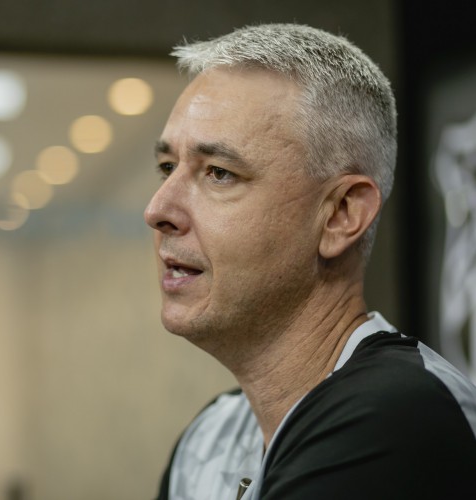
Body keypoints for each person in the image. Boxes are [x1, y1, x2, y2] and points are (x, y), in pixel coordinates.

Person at [145, 23, 476, 500]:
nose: (157, 210)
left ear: (341, 215)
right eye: (166, 167)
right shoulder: (208, 437)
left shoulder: (396, 415)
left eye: (219, 173)